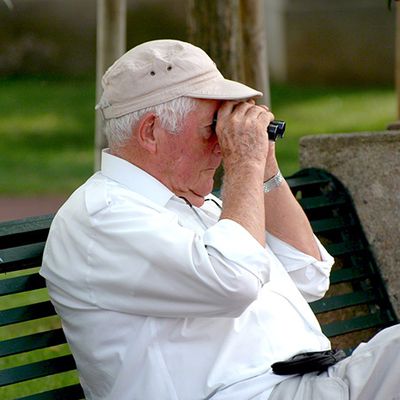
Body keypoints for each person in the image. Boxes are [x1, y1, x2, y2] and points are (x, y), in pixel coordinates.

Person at [40, 39, 400, 400]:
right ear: (151, 132)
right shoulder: (103, 218)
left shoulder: (198, 204)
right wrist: (245, 162)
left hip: (316, 384)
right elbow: (236, 281)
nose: (223, 144)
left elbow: (308, 272)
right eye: (212, 128)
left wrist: (265, 167)